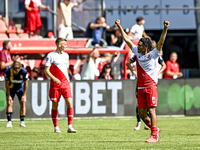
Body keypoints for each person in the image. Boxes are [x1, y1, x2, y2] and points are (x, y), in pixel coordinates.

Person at [115, 19, 170, 142]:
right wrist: (119, 26)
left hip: (151, 86)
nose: (137, 45)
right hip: (140, 86)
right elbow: (127, 39)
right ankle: (155, 129)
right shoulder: (137, 53)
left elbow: (161, 41)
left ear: (145, 46)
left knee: (151, 110)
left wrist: (165, 29)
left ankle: (154, 135)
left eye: (139, 44)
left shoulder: (154, 54)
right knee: (142, 114)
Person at [127, 52, 166, 131]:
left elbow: (164, 65)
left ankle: (150, 127)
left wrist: (158, 73)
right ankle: (139, 122)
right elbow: (128, 63)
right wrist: (134, 72)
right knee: (139, 106)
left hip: (150, 82)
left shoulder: (155, 56)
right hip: (140, 82)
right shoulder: (138, 55)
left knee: (150, 107)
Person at [45, 37, 76, 133]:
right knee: (55, 105)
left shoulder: (66, 55)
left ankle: (70, 126)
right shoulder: (50, 55)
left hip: (66, 83)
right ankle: (56, 127)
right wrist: (54, 78)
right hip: (55, 84)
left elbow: (65, 70)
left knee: (70, 103)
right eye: (64, 44)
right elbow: (46, 71)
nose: (66, 46)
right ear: (59, 44)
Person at [4, 61, 29, 127]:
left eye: (17, 69)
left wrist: (24, 94)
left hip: (20, 89)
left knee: (23, 103)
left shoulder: (24, 71)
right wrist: (8, 95)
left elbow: (26, 83)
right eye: (15, 69)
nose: (16, 71)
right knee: (9, 103)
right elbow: (6, 84)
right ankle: (9, 122)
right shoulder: (8, 71)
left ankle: (22, 122)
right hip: (11, 88)